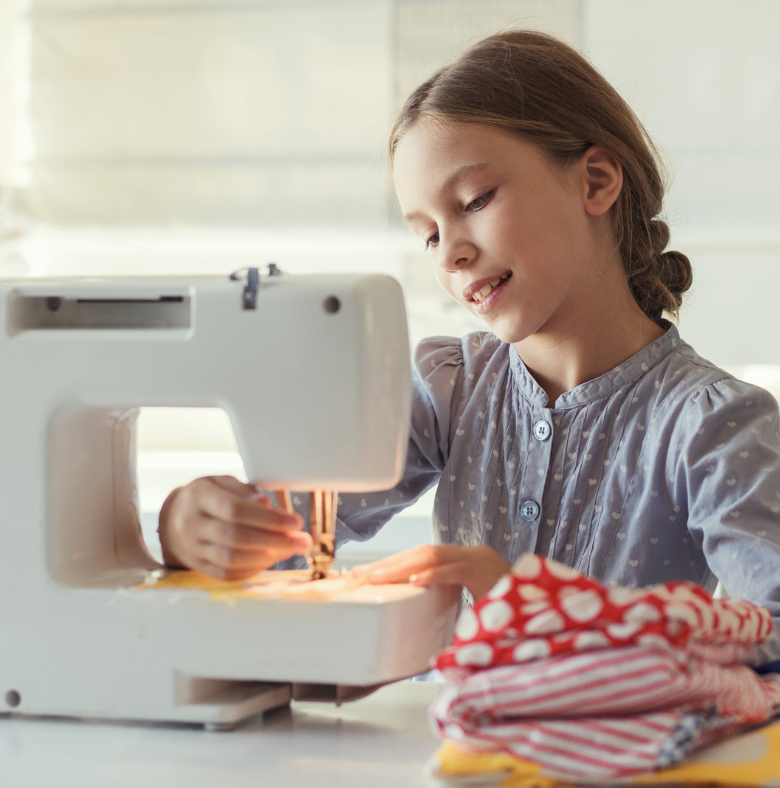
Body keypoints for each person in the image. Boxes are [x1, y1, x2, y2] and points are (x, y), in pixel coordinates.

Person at [157, 30, 780, 659]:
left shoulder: (715, 426)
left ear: (595, 180)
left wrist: (538, 604)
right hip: (452, 751)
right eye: (428, 235)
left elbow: (772, 630)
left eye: (475, 200)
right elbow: (286, 539)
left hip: (621, 755)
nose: (452, 252)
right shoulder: (449, 389)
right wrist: (191, 528)